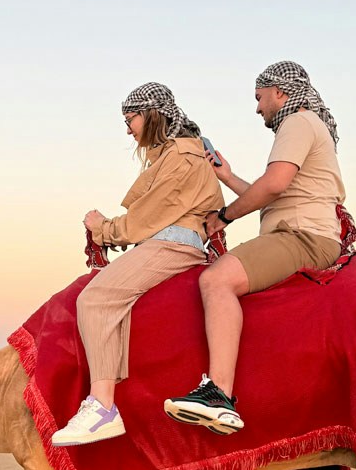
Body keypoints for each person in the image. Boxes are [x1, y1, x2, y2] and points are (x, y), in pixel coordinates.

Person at [163, 60, 345, 435]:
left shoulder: (297, 122)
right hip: (296, 228)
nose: (257, 107)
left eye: (260, 98)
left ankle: (218, 394)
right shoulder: (308, 126)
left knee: (217, 280)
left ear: (280, 93)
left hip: (302, 236)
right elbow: (273, 198)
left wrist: (224, 217)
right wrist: (227, 176)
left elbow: (274, 184)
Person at [50, 83, 226, 446]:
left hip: (173, 245)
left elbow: (145, 220)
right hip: (168, 241)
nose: (127, 127)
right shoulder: (176, 155)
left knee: (95, 299)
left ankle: (101, 407)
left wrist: (102, 228)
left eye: (130, 118)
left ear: (151, 115)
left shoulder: (181, 157)